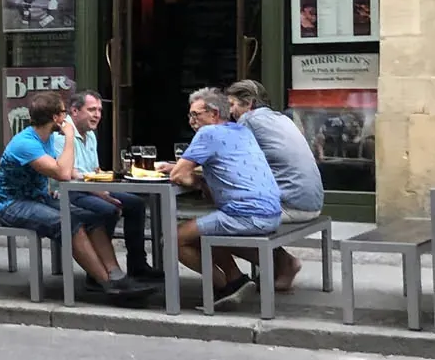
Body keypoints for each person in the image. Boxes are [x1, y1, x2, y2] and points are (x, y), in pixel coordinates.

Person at [0, 91, 145, 299]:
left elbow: (70, 171)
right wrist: (70, 137)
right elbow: (63, 173)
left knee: (92, 218)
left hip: (39, 198)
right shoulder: (25, 143)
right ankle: (107, 284)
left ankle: (117, 275)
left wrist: (98, 189)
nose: (66, 118)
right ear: (56, 117)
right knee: (68, 222)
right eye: (63, 113)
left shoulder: (44, 138)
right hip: (12, 204)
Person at [163, 85, 285, 306]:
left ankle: (227, 285)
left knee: (173, 238)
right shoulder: (240, 130)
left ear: (214, 114)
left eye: (195, 114)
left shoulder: (208, 133)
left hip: (246, 215)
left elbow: (178, 176)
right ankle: (235, 279)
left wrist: (195, 181)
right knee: (202, 229)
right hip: (272, 212)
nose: (191, 121)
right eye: (189, 115)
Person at [226, 80, 325, 292]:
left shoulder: (248, 121)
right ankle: (281, 264)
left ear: (249, 103)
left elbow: (228, 160)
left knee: (220, 225)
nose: (231, 110)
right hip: (311, 201)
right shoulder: (280, 117)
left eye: (233, 104)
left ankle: (283, 265)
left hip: (291, 205)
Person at [53, 89, 157, 280]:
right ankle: (96, 273)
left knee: (136, 204)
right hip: (70, 191)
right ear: (74, 111)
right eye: (92, 110)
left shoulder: (90, 134)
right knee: (107, 209)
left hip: (90, 188)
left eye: (100, 110)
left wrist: (109, 181)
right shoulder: (62, 135)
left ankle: (137, 265)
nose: (98, 115)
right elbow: (69, 174)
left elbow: (95, 170)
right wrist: (102, 192)